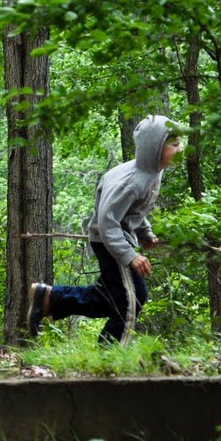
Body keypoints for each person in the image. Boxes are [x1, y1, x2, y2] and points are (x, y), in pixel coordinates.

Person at [27, 115, 184, 345]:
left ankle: (50, 298)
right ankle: (110, 352)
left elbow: (134, 211)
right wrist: (130, 256)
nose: (180, 150)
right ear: (155, 146)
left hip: (119, 236)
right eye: (174, 144)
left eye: (180, 143)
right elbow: (107, 222)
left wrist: (145, 231)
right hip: (110, 240)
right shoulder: (132, 182)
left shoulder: (153, 171)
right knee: (133, 299)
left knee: (112, 298)